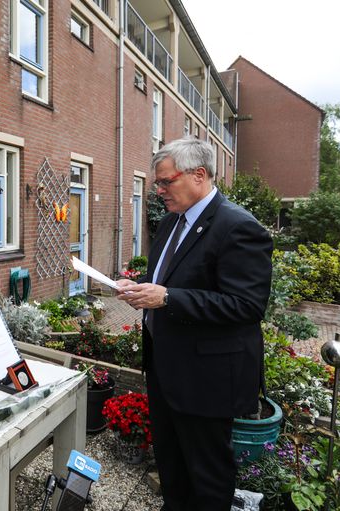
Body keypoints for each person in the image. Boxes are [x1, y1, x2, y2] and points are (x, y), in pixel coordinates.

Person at [115, 137, 272, 510]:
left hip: (205, 379)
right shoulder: (172, 222)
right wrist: (139, 287)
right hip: (165, 369)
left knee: (207, 476)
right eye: (157, 182)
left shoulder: (238, 226)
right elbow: (170, 277)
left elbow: (247, 305)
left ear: (199, 175)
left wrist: (167, 298)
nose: (159, 190)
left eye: (165, 181)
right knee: (171, 465)